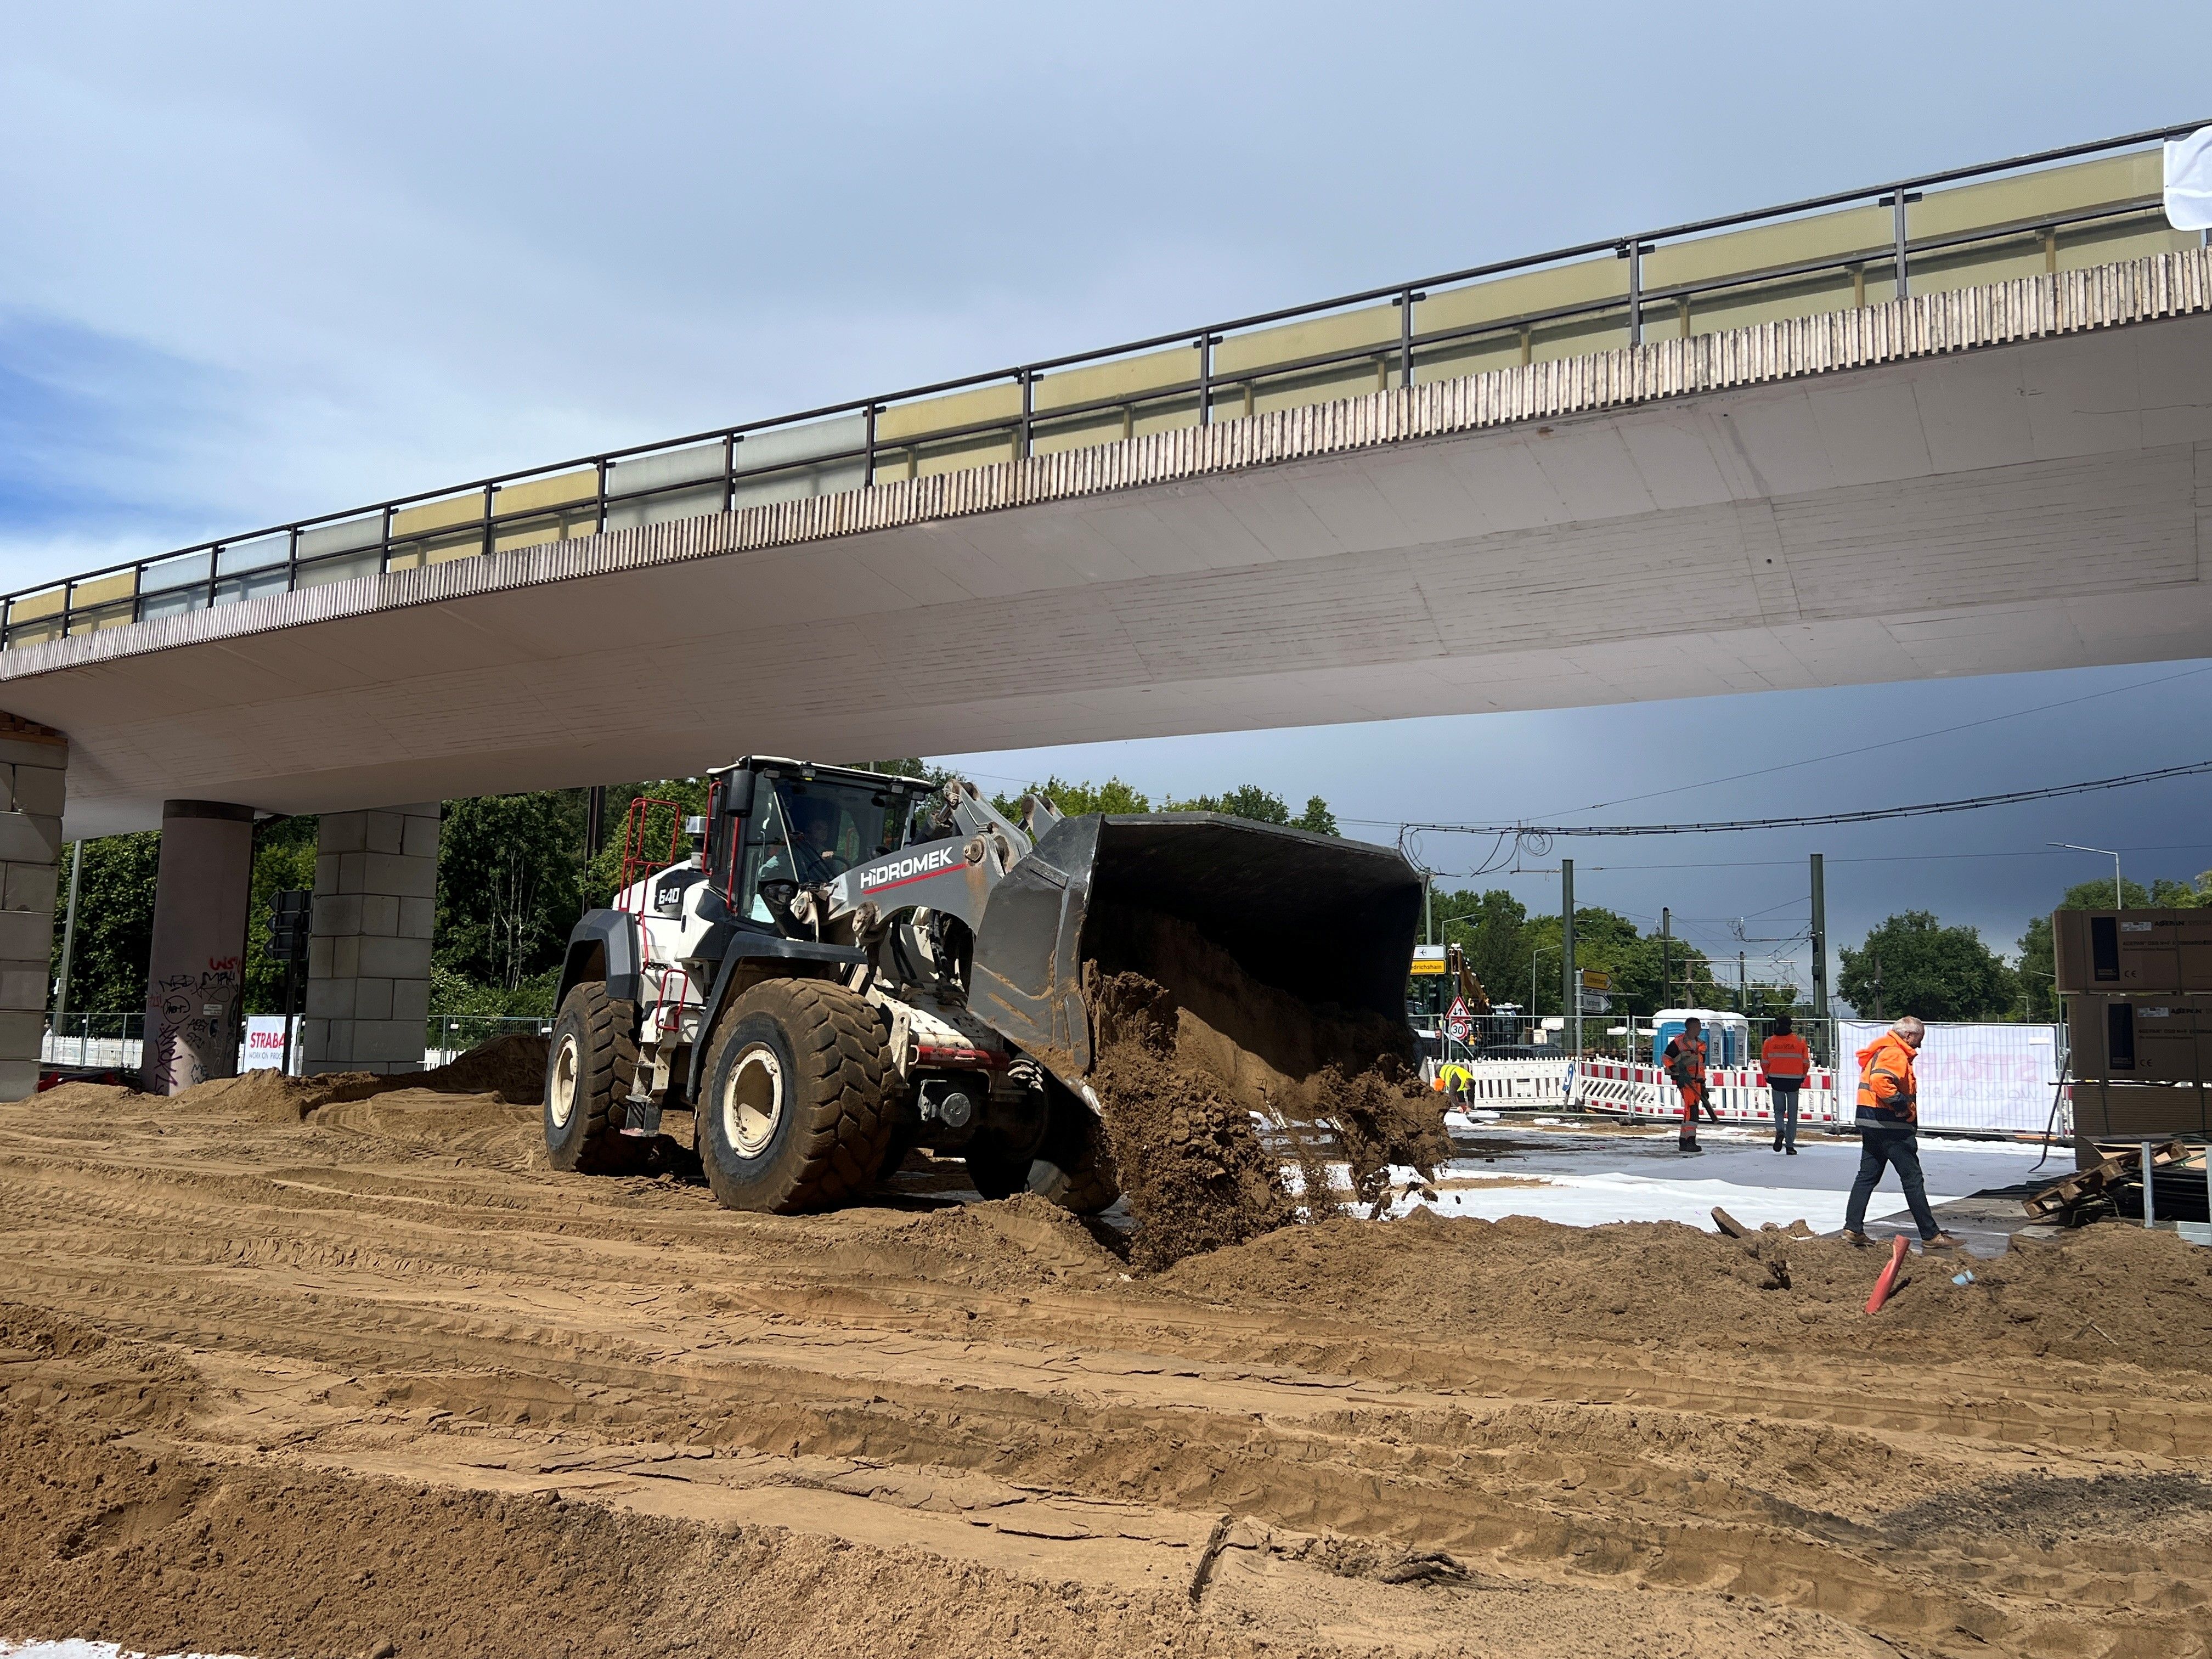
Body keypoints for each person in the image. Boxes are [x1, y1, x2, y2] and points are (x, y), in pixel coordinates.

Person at [1842, 1015, 1963, 1250]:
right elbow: (1880, 1081)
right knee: (1912, 1179)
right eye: (1919, 1039)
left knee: (1867, 1176)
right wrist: (1902, 1106)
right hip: (1891, 1127)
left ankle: (1853, 1229)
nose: (1919, 1045)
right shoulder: (1895, 1052)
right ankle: (1930, 1235)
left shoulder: (1881, 1050)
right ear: (1909, 1035)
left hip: (1872, 1123)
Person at [1760, 1014, 1812, 1155]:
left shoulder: (1769, 1042)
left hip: (1776, 1079)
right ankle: (1790, 1146)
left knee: (1779, 1111)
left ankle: (1780, 1131)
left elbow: (1764, 1062)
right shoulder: (1800, 1041)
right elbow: (1806, 1063)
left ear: (1777, 1024)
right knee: (1792, 1114)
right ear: (1791, 1025)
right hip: (1794, 1080)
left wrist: (1767, 1076)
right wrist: (1802, 1077)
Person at [1662, 1017, 1707, 1152]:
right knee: (1691, 1110)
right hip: (1685, 1081)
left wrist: (1703, 1083)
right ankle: (1690, 1141)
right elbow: (1666, 1058)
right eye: (1698, 1027)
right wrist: (1677, 1071)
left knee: (1691, 1110)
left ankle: (1684, 1141)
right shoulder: (1678, 1042)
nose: (1700, 1029)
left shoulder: (1701, 1044)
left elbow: (1701, 1065)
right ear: (1690, 1028)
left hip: (1697, 1081)